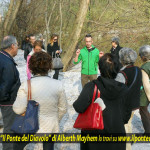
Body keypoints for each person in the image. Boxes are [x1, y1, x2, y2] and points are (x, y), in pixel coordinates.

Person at [13, 51, 67, 150]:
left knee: (17, 146)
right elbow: (63, 108)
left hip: (30, 125)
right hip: (50, 126)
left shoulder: (26, 85)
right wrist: (54, 118)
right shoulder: (58, 84)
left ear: (31, 67)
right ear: (49, 66)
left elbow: (18, 109)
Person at [73, 53, 128, 150]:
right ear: (117, 69)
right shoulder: (123, 89)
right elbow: (126, 116)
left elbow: (78, 107)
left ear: (99, 68)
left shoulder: (91, 87)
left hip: (94, 137)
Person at [115, 48, 142, 150]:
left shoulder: (122, 73)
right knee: (128, 124)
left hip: (124, 105)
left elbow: (117, 90)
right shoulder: (138, 70)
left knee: (124, 126)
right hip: (134, 103)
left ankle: (127, 147)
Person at [0, 35, 21, 150]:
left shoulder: (2, 57)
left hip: (6, 100)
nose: (18, 47)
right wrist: (5, 98)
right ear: (12, 46)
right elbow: (6, 84)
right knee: (9, 128)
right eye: (17, 45)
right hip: (8, 102)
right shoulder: (7, 63)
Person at [139, 45, 150, 133]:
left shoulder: (144, 68)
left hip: (145, 93)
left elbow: (146, 85)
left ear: (143, 57)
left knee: (143, 111)